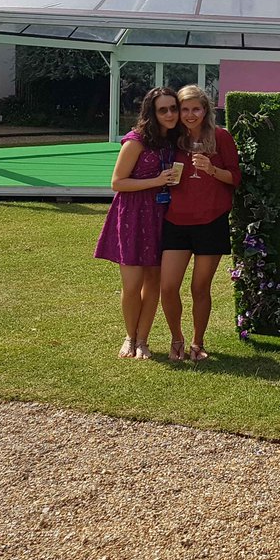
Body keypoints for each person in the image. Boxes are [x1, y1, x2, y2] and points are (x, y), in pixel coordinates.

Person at [95, 87, 180, 359]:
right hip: (133, 214)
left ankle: (143, 339)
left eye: (173, 108)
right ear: (152, 113)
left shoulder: (173, 141)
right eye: (163, 109)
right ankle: (129, 337)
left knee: (153, 282)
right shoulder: (136, 140)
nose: (170, 114)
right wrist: (155, 181)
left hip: (160, 216)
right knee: (132, 284)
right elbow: (117, 182)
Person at [159, 85, 241, 362]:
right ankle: (176, 339)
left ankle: (197, 342)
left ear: (205, 110)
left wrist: (212, 170)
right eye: (185, 109)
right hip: (176, 222)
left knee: (199, 287)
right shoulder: (172, 139)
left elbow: (236, 178)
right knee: (168, 286)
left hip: (211, 221)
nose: (190, 114)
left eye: (196, 108)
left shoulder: (220, 137)